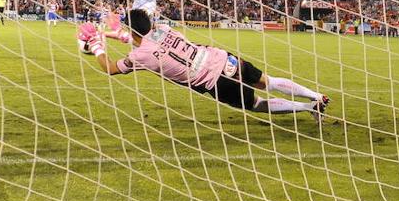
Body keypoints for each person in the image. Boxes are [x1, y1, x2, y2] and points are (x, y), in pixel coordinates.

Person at [79, 10, 330, 120]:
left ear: (131, 30)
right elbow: (135, 39)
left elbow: (110, 68)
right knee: (268, 81)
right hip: (223, 58)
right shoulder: (163, 30)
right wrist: (108, 32)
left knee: (256, 104)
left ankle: (308, 106)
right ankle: (315, 95)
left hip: (215, 81)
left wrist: (96, 44)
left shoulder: (140, 56)